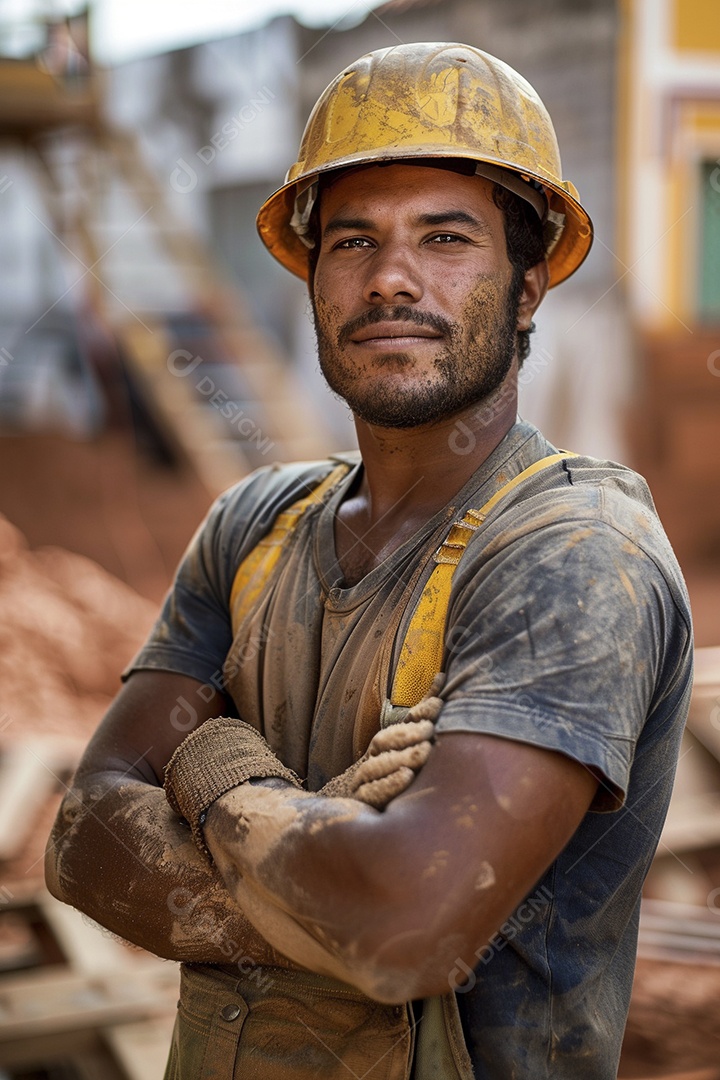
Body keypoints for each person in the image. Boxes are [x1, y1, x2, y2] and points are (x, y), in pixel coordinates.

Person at [45, 41, 693, 1079]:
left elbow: (405, 933)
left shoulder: (572, 555)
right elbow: (82, 839)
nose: (391, 278)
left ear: (528, 286)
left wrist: (219, 784)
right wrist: (331, 873)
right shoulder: (254, 525)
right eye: (353, 242)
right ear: (312, 277)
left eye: (445, 239)